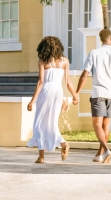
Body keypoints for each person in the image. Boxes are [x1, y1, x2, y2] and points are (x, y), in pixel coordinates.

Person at [75, 27, 111, 164]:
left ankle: (106, 149)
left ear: (101, 40)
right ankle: (100, 155)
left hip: (98, 93)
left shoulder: (94, 53)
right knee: (106, 125)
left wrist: (77, 92)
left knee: (97, 124)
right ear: (110, 39)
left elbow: (84, 75)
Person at [27, 36, 77, 164]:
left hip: (46, 91)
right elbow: (68, 82)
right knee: (52, 122)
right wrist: (75, 95)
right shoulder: (64, 61)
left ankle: (42, 157)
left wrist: (33, 100)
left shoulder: (43, 61)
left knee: (39, 123)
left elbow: (41, 82)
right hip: (58, 91)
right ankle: (62, 144)